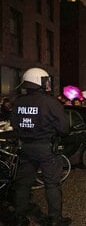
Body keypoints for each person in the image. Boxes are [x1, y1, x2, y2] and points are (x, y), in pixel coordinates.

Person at [10, 67, 71, 226]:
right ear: (39, 81)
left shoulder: (18, 102)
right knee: (52, 184)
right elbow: (64, 128)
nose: (47, 84)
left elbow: (14, 125)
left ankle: (19, 218)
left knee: (23, 185)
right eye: (45, 81)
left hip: (25, 148)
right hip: (46, 148)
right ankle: (54, 220)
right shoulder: (50, 102)